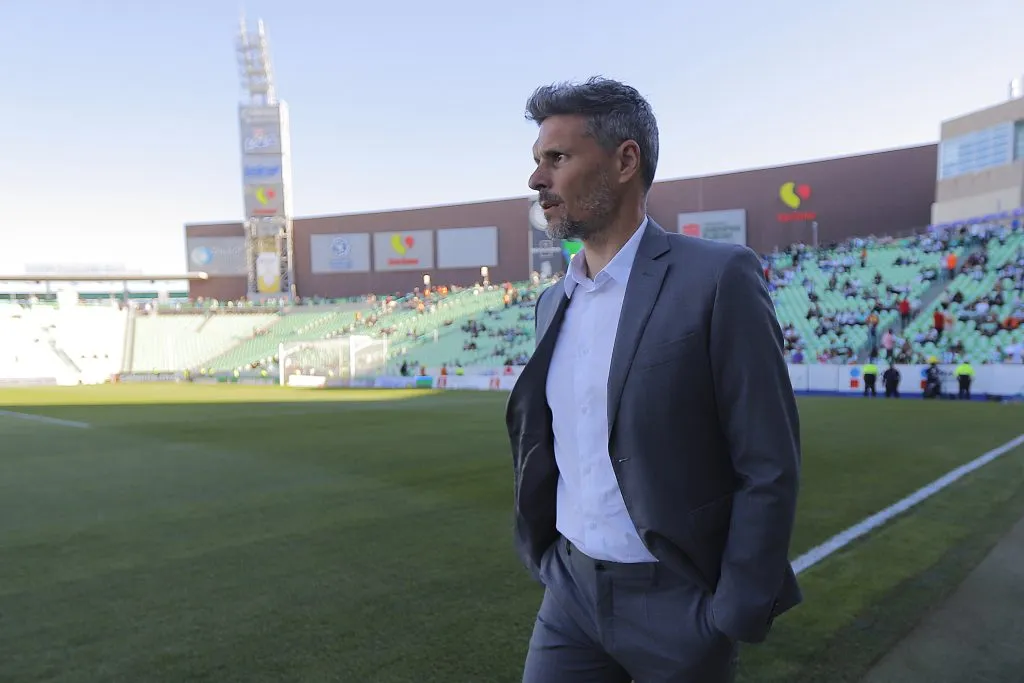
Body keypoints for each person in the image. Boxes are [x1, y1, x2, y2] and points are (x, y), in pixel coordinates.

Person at [505, 77, 802, 683]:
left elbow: (768, 459)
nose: (538, 179)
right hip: (569, 592)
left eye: (557, 158)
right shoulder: (550, 303)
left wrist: (731, 611)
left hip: (679, 605)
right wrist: (547, 558)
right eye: (538, 162)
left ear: (624, 160)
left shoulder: (719, 278)